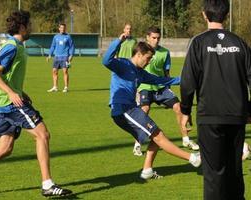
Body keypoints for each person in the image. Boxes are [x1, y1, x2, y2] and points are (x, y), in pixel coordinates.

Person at [0, 10, 72, 197]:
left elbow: (8, 76)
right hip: (10, 103)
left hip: (3, 103)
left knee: (4, 149)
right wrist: (13, 93)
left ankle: (47, 184)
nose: (31, 28)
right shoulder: (12, 47)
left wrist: (21, 91)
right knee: (42, 134)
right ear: (22, 27)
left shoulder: (17, 46)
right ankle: (47, 184)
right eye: (29, 25)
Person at [102, 33, 201, 180]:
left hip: (130, 109)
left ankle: (147, 170)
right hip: (124, 109)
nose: (149, 62)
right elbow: (106, 60)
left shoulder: (140, 73)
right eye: (148, 58)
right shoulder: (123, 64)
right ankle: (193, 158)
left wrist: (188, 79)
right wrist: (119, 41)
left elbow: (161, 80)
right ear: (139, 54)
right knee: (158, 136)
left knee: (156, 137)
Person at [180, 0, 251, 199]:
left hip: (209, 115)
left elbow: (187, 81)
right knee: (234, 170)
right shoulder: (240, 43)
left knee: (213, 174)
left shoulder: (198, 42)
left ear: (204, 14)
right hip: (236, 116)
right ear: (227, 15)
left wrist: (185, 111)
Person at [133, 26, 199, 157]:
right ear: (147, 37)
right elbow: (134, 71)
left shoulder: (164, 52)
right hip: (145, 87)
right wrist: (136, 91)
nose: (156, 40)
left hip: (161, 88)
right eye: (153, 38)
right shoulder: (141, 51)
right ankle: (137, 144)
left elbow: (166, 73)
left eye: (158, 38)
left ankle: (186, 139)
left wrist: (169, 89)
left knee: (179, 108)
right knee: (143, 111)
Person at [47, 23, 75, 93]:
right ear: (59, 28)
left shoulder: (68, 37)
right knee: (54, 71)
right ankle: (55, 87)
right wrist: (49, 54)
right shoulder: (55, 37)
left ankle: (66, 87)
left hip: (65, 57)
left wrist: (71, 55)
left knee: (65, 71)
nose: (63, 29)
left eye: (64, 28)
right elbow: (53, 46)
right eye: (61, 28)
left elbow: (71, 46)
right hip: (56, 57)